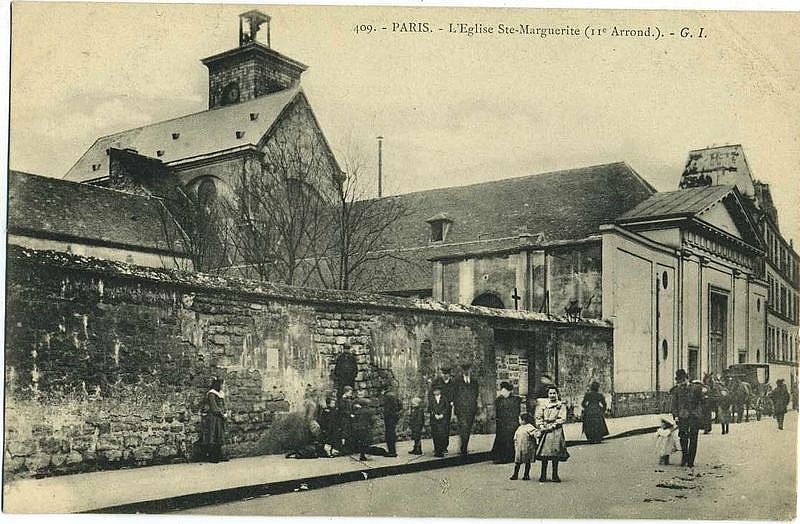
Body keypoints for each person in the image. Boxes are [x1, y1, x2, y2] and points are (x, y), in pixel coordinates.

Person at [535, 385, 569, 482]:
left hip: (556, 431)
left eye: (554, 393)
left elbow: (562, 417)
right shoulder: (543, 405)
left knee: (555, 453)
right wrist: (541, 425)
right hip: (545, 430)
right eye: (550, 393)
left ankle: (555, 475)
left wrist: (554, 425)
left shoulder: (560, 405)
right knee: (544, 453)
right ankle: (543, 475)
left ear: (557, 394)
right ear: (548, 394)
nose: (552, 395)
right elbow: (539, 416)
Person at [671, 369, 704, 468]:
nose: (680, 383)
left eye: (682, 381)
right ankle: (684, 457)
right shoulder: (676, 390)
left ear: (686, 379)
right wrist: (675, 416)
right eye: (679, 381)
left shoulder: (697, 388)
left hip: (694, 416)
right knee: (683, 438)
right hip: (682, 417)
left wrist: (699, 412)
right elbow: (674, 404)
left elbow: (702, 401)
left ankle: (691, 461)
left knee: (693, 438)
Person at [453, 362, 480, 456]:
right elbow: (454, 395)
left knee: (468, 428)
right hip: (461, 409)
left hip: (471, 409)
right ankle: (463, 448)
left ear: (470, 370)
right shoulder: (457, 381)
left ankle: (464, 445)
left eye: (468, 369)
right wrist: (455, 408)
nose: (466, 371)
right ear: (462, 371)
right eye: (464, 370)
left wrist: (475, 406)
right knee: (464, 427)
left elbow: (476, 394)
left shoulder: (474, 381)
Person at [492, 381, 521, 464]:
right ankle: (500, 457)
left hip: (511, 423)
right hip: (502, 423)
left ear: (509, 391)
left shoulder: (515, 400)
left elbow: (516, 412)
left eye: (504, 391)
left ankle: (509, 457)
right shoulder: (499, 400)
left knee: (509, 439)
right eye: (502, 390)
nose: (502, 392)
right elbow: (497, 412)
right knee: (501, 439)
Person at [201, 376, 228, 463]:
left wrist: (225, 412)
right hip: (213, 417)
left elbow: (223, 405)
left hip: (219, 418)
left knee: (219, 435)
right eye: (220, 384)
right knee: (212, 435)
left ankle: (220, 455)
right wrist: (221, 413)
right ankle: (212, 456)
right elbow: (214, 407)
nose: (221, 386)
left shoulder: (221, 394)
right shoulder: (211, 394)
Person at [429, 368, 454, 453]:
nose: (445, 375)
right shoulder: (437, 381)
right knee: (435, 428)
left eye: (446, 374)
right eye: (443, 374)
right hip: (436, 407)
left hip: (446, 408)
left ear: (449, 374)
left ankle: (444, 446)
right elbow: (430, 392)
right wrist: (431, 405)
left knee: (445, 427)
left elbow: (455, 393)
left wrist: (452, 402)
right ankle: (437, 446)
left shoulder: (452, 383)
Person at [510, 412, 539, 480]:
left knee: (527, 462)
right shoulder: (520, 427)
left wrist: (537, 437)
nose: (519, 421)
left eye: (520, 419)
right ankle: (515, 474)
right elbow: (516, 436)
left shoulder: (530, 427)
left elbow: (536, 434)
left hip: (527, 447)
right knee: (517, 462)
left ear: (524, 420)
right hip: (519, 447)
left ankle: (526, 475)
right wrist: (515, 443)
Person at [381, 386, 403, 457]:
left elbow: (387, 409)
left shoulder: (387, 396)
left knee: (389, 434)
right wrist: (397, 414)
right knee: (392, 433)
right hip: (394, 417)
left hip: (389, 418)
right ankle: (393, 451)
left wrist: (385, 415)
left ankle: (391, 452)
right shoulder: (394, 395)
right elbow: (400, 405)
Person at [429, 385, 450, 457]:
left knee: (442, 434)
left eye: (437, 390)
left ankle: (442, 449)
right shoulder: (431, 399)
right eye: (434, 390)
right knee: (435, 435)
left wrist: (442, 415)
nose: (436, 392)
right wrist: (434, 414)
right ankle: (436, 449)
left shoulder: (444, 399)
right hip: (434, 420)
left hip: (442, 420)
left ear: (440, 391)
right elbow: (430, 408)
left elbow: (447, 408)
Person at [339, 386, 356, 453]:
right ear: (346, 392)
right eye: (350, 392)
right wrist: (350, 414)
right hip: (344, 419)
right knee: (344, 433)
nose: (351, 394)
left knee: (348, 433)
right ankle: (344, 448)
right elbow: (342, 410)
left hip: (348, 419)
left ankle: (349, 448)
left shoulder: (348, 399)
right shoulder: (342, 400)